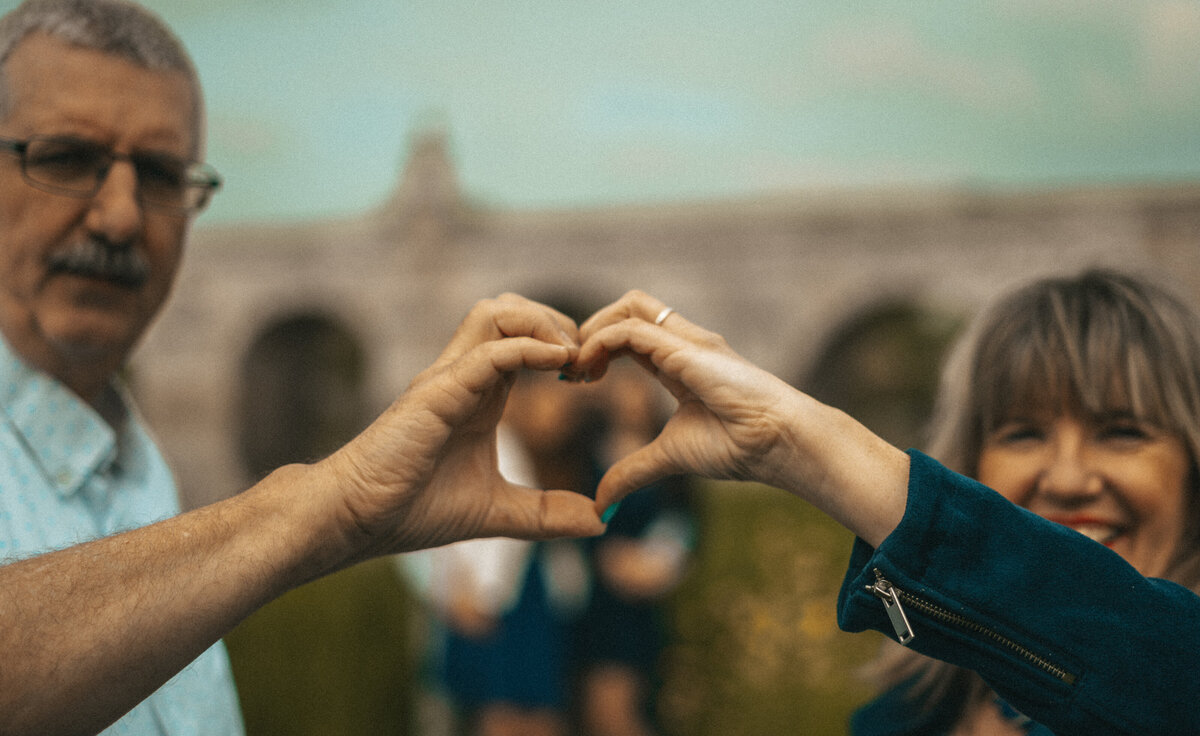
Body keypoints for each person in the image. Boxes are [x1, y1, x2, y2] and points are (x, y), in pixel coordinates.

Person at [0, 2, 602, 735]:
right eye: (66, 158)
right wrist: (332, 507)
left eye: (161, 173)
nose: (121, 216)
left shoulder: (139, 458)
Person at [571, 272, 1200, 735]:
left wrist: (803, 446)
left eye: (1124, 431)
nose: (1066, 479)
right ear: (969, 460)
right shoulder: (904, 718)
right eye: (1023, 432)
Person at [572, 360, 697, 736]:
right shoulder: (585, 452)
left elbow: (685, 525)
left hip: (634, 605)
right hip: (588, 598)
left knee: (614, 711)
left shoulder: (670, 458)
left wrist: (660, 563)